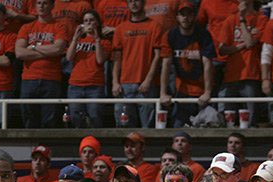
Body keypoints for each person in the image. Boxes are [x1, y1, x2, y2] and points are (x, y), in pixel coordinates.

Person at [159, 1, 215, 128]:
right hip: (181, 90)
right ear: (177, 17)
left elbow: (208, 64)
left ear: (194, 16)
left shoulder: (203, 34)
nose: (185, 17)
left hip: (201, 90)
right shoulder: (170, 35)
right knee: (178, 128)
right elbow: (166, 64)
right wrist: (163, 93)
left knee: (206, 130)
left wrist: (207, 92)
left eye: (189, 14)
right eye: (182, 14)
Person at [15, 0, 69, 128]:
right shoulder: (27, 27)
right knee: (29, 119)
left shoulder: (59, 26)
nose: (41, 6)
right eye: (39, 3)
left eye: (45, 3)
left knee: (49, 119)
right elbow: (19, 53)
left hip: (51, 78)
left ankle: (46, 148)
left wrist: (33, 47)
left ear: (52, 6)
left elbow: (58, 49)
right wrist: (47, 51)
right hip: (29, 78)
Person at [216, 0, 267, 126]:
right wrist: (241, 46)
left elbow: (250, 42)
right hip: (231, 74)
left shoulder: (261, 19)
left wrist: (242, 19)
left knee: (250, 117)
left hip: (251, 73)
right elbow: (222, 49)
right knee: (227, 115)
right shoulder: (230, 20)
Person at [112, 0, 162, 128]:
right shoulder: (120, 28)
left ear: (144, 2)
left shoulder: (154, 26)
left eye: (137, 0)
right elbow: (117, 59)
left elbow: (157, 56)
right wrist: (115, 82)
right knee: (124, 128)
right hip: (125, 85)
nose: (134, 4)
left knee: (148, 128)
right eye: (130, 1)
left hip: (146, 85)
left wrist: (148, 80)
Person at [66, 9, 110, 128]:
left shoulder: (104, 42)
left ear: (97, 23)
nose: (89, 23)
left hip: (95, 85)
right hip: (76, 84)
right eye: (86, 21)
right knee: (76, 118)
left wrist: (96, 39)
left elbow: (100, 60)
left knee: (95, 117)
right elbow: (69, 57)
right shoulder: (78, 40)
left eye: (91, 20)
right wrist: (75, 38)